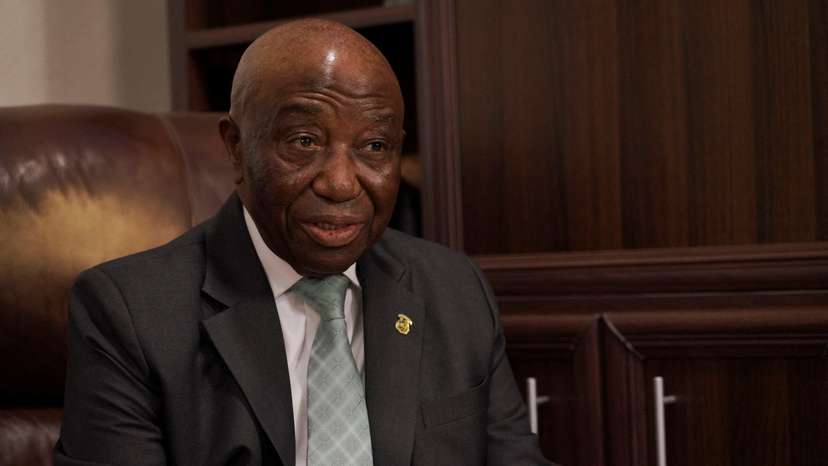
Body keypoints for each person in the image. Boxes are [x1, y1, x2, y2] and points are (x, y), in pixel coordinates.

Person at [54, 19, 553, 466]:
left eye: (374, 147)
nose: (340, 183)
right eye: (304, 142)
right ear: (236, 147)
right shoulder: (130, 312)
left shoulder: (453, 290)